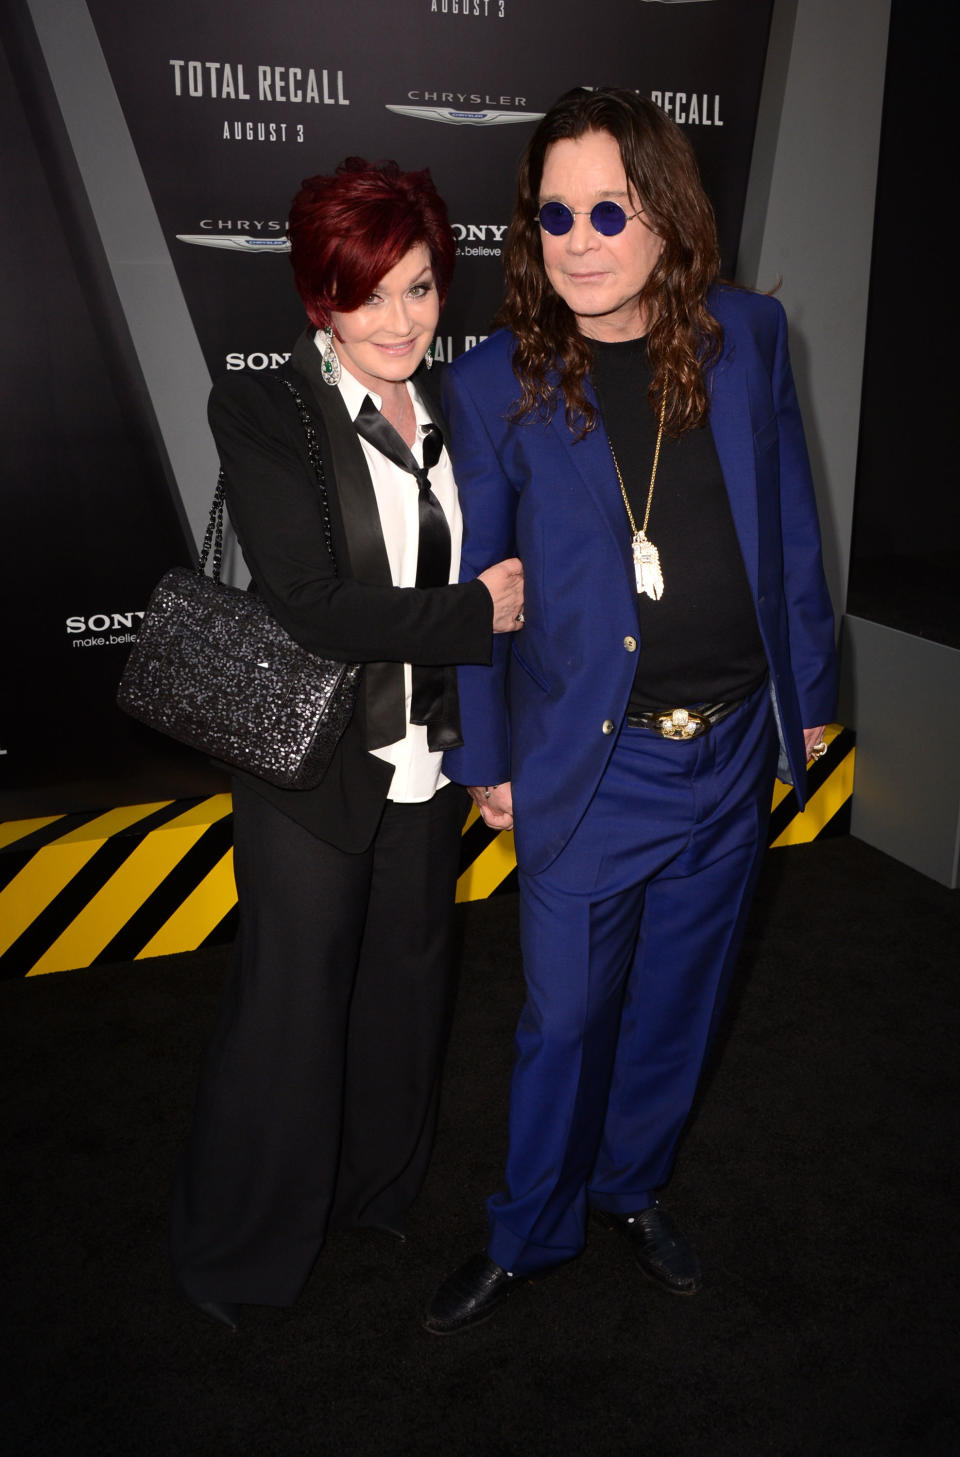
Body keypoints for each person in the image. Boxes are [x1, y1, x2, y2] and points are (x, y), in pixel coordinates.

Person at [423, 88, 836, 1334]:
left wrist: (807, 695)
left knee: (678, 1001)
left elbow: (794, 530)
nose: (581, 237)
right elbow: (482, 593)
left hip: (727, 750)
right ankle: (529, 1226)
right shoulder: (497, 379)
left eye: (609, 207)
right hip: (586, 769)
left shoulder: (750, 338)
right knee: (564, 1015)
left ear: (666, 214)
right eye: (555, 212)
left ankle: (632, 1186)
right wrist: (486, 757)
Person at [169, 157, 524, 1331]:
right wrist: (480, 612)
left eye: (418, 288)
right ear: (319, 298)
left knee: (409, 992)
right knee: (287, 1011)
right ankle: (241, 1252)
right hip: (314, 763)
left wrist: (497, 732)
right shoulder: (267, 410)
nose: (397, 320)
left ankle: (376, 1197)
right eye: (366, 293)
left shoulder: (469, 404)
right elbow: (311, 599)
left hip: (431, 759)